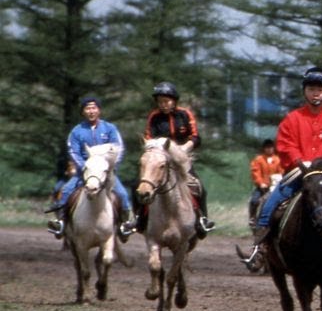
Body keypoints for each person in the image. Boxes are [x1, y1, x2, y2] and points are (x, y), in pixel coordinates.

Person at [240, 67, 322, 272]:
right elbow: (285, 145)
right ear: (305, 91)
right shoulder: (292, 119)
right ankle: (260, 247)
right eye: (311, 88)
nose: (316, 93)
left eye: (320, 89)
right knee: (269, 204)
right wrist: (300, 161)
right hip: (297, 175)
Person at [47, 96, 136, 240]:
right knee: (66, 191)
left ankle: (125, 224)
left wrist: (109, 167)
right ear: (83, 111)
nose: (91, 111)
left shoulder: (110, 128)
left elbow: (118, 149)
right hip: (84, 172)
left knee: (123, 194)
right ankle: (61, 222)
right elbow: (73, 152)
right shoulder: (76, 131)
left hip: (106, 172)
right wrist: (85, 167)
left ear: (99, 110)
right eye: (87, 108)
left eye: (94, 108)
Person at [137, 81, 215, 236]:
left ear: (174, 101)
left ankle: (202, 220)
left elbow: (196, 136)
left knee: (199, 187)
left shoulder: (185, 114)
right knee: (138, 186)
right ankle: (139, 220)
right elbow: (148, 137)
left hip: (181, 160)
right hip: (158, 159)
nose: (163, 104)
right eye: (160, 102)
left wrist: (184, 148)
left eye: (166, 101)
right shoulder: (154, 117)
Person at [248, 139, 284, 226]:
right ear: (264, 149)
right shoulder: (258, 160)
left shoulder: (278, 160)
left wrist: (278, 180)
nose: (269, 149)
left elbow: (281, 171)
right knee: (254, 200)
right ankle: (252, 217)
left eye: (271, 147)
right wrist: (261, 183)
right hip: (262, 187)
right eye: (267, 148)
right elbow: (255, 173)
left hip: (275, 186)